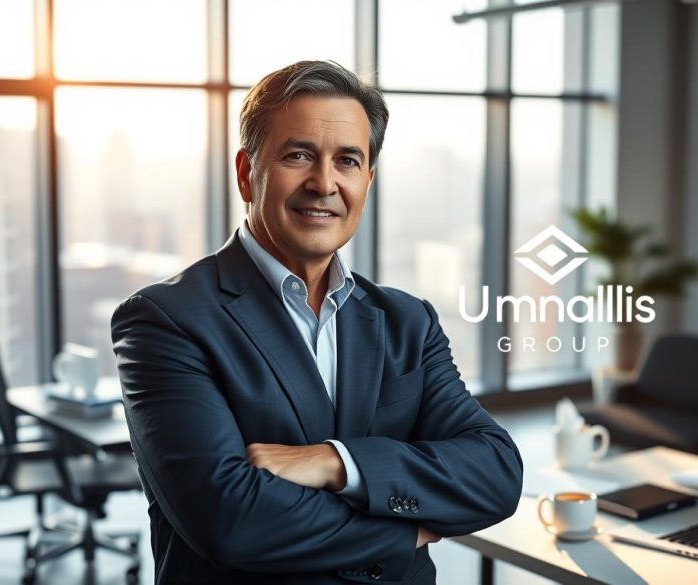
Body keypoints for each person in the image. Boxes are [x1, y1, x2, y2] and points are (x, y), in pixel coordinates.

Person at [111, 60, 523, 585]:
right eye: (298, 155)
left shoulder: (407, 321)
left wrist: (337, 462)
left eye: (347, 160)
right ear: (246, 174)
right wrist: (402, 532)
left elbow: (495, 472)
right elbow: (229, 519)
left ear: (367, 181)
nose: (324, 183)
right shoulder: (165, 320)